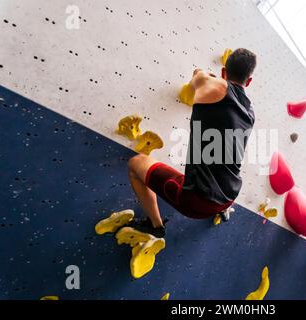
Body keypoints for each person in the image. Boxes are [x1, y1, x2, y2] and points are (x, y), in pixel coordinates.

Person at [96, 48, 257, 239]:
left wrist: (206, 76)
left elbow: (197, 76)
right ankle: (221, 210)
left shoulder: (211, 85)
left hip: (197, 201)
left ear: (223, 72)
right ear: (249, 82)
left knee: (135, 164)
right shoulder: (250, 112)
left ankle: (155, 226)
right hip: (230, 195)